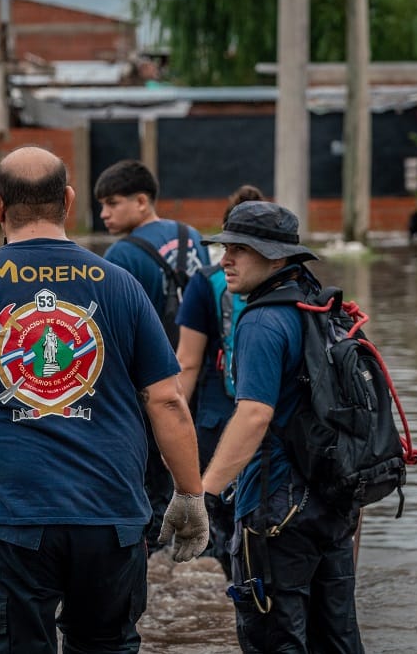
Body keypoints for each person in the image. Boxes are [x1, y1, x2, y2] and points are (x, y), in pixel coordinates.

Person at [0, 146, 208, 652]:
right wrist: (190, 494)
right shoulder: (118, 283)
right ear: (70, 201)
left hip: (14, 519)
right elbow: (167, 400)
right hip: (111, 517)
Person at [200, 201, 364, 653]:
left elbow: (254, 415)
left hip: (277, 511)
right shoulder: (322, 307)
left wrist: (205, 492)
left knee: (275, 639)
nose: (226, 259)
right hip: (332, 502)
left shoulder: (261, 321)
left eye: (240, 249)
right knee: (337, 636)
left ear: (276, 258)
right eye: (225, 247)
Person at [95, 158, 209, 554]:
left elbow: (106, 331)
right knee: (188, 468)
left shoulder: (121, 256)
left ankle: (152, 547)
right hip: (196, 374)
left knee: (147, 476)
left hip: (147, 380)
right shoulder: (191, 235)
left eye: (112, 203)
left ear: (141, 201)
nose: (104, 214)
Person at [175, 184, 265, 580]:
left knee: (221, 522)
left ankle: (231, 590)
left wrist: (172, 429)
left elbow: (188, 363)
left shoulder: (205, 282)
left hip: (218, 417)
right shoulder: (293, 281)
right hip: (273, 418)